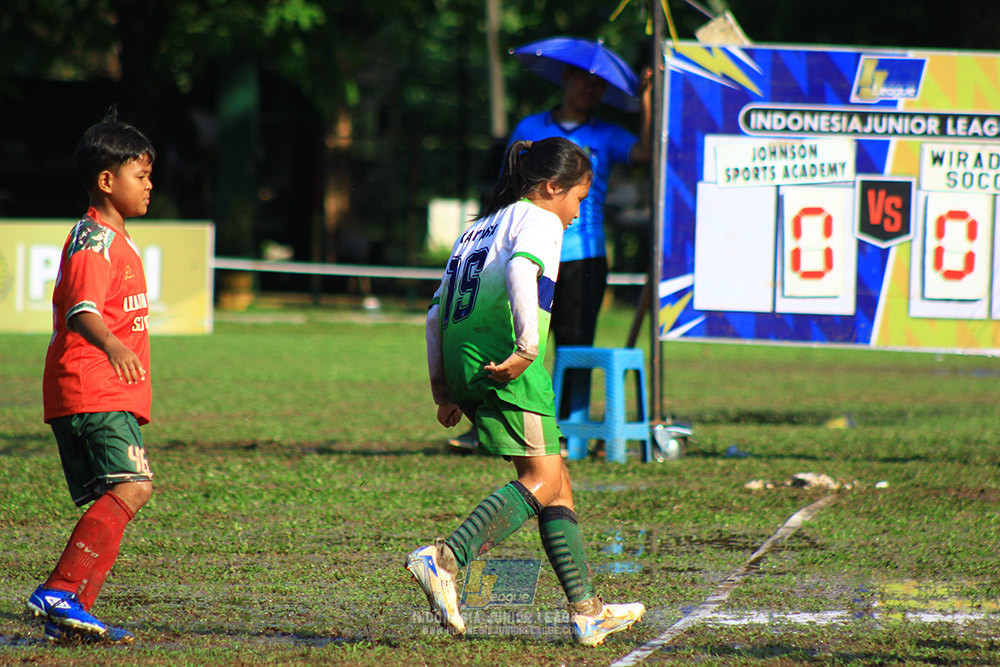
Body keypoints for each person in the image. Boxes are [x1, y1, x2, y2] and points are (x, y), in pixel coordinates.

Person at [406, 137, 645, 646]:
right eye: (578, 199)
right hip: (507, 361)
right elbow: (520, 270)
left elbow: (433, 313)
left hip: (464, 360)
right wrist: (526, 350)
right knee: (542, 479)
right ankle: (444, 558)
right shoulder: (539, 219)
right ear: (552, 187)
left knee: (557, 481)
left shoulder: (478, 228)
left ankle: (587, 612)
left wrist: (442, 389)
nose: (577, 214)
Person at [448, 61, 651, 451]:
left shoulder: (606, 133)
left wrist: (646, 100)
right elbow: (509, 181)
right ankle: (488, 424)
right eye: (585, 80)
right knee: (509, 336)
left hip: (583, 255)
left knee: (575, 346)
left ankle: (566, 429)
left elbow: (643, 152)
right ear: (566, 78)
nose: (591, 89)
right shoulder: (530, 127)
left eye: (599, 85)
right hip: (528, 247)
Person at [25, 110, 156, 645]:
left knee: (124, 490)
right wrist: (113, 345)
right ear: (106, 180)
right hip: (91, 386)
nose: (149, 185)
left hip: (100, 389)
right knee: (132, 485)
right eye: (140, 175)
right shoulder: (93, 241)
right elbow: (82, 311)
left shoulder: (113, 239)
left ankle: (71, 609)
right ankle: (61, 592)